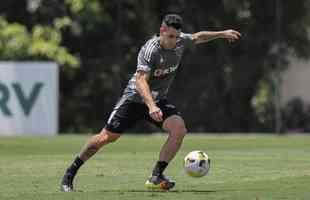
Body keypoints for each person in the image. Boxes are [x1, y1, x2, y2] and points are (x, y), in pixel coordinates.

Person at [60, 14, 241, 192]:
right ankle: (69, 174)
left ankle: (156, 176)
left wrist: (222, 33)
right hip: (134, 99)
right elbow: (140, 81)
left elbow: (197, 37)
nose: (173, 41)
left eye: (176, 37)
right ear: (161, 31)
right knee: (106, 138)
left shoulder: (179, 42)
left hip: (158, 100)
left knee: (179, 130)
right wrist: (151, 106)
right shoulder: (150, 49)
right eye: (169, 36)